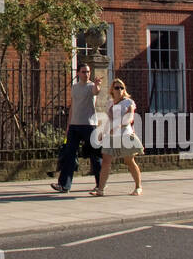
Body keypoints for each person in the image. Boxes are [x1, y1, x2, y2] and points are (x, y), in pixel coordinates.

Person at [51, 63, 102, 193]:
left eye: (88, 72)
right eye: (84, 72)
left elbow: (96, 91)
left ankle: (100, 184)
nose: (86, 74)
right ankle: (64, 185)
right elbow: (73, 107)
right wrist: (68, 125)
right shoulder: (74, 87)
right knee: (69, 155)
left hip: (89, 125)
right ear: (78, 73)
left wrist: (97, 84)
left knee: (95, 156)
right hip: (74, 125)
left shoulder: (91, 87)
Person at [91, 78, 143, 196]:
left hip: (125, 134)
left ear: (124, 90)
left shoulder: (128, 102)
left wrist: (119, 124)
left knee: (129, 161)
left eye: (121, 88)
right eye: (116, 87)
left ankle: (138, 186)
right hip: (111, 135)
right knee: (106, 161)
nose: (119, 90)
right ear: (112, 90)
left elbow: (130, 117)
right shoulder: (110, 103)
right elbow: (108, 120)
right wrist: (101, 133)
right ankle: (101, 189)